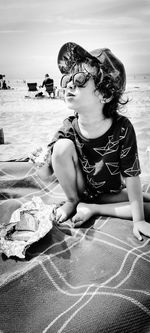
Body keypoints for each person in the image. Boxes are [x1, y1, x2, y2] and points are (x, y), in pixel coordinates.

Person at [45, 42, 150, 241]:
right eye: (68, 78)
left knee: (144, 209)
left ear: (105, 94)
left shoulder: (122, 128)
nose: (69, 84)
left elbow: (131, 175)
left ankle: (92, 208)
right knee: (60, 148)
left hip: (108, 192)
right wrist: (43, 161)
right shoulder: (69, 125)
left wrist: (138, 221)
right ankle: (72, 201)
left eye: (80, 79)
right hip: (80, 190)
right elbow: (45, 172)